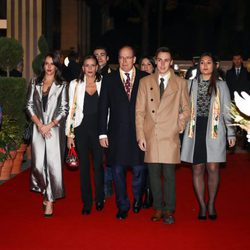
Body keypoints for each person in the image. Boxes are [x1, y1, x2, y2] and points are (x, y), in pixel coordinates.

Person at [136, 47, 190, 224]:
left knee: (168, 175)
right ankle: (158, 207)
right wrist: (140, 135)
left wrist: (178, 126)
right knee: (153, 175)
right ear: (155, 61)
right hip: (151, 134)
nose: (162, 63)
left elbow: (186, 109)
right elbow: (139, 112)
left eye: (166, 60)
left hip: (170, 135)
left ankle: (169, 210)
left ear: (171, 62)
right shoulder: (145, 82)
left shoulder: (180, 83)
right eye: (159, 60)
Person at [181, 52, 236, 221]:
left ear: (215, 65)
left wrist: (231, 132)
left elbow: (227, 110)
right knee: (197, 168)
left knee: (213, 168)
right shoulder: (190, 84)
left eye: (208, 63)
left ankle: (211, 203)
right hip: (194, 130)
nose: (205, 65)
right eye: (202, 63)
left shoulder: (222, 85)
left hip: (214, 130)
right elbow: (182, 108)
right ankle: (202, 206)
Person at [99, 45, 148, 220]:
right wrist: (102, 134)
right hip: (116, 135)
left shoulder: (145, 78)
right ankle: (122, 205)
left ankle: (137, 199)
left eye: (128, 58)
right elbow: (103, 108)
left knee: (139, 170)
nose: (124, 61)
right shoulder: (109, 79)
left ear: (135, 59)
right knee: (118, 172)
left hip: (139, 135)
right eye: (121, 58)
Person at [26, 52, 68, 217]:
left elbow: (63, 109)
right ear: (43, 66)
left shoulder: (62, 85)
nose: (49, 67)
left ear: (57, 66)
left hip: (54, 130)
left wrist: (50, 125)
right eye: (47, 64)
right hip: (38, 129)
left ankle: (50, 200)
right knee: (37, 166)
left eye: (53, 64)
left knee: (53, 166)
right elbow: (29, 105)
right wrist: (40, 125)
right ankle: (45, 191)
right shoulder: (34, 82)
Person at [66, 55, 104, 215]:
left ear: (97, 67)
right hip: (81, 129)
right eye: (86, 65)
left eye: (92, 65)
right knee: (84, 167)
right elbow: (71, 111)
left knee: (98, 166)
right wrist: (69, 134)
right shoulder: (75, 84)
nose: (89, 68)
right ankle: (87, 202)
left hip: (99, 130)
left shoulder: (104, 83)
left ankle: (100, 198)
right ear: (83, 68)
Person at [93, 46, 114, 198]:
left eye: (102, 55)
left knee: (109, 157)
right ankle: (100, 187)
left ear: (107, 58)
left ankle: (107, 185)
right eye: (96, 55)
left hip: (108, 122)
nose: (99, 58)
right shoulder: (88, 74)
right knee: (96, 158)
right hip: (91, 121)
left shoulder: (112, 76)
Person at [138, 55, 156, 209]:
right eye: (142, 65)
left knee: (152, 163)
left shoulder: (159, 83)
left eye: (148, 65)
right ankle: (143, 190)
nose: (145, 67)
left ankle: (150, 193)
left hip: (155, 130)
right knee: (141, 163)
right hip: (139, 129)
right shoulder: (137, 84)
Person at [226, 53, 250, 151]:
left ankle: (246, 144)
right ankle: (230, 142)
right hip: (232, 102)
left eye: (238, 59)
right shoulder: (229, 73)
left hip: (244, 102)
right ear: (232, 60)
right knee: (230, 122)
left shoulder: (247, 72)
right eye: (234, 59)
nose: (236, 61)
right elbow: (227, 87)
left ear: (241, 60)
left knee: (245, 123)